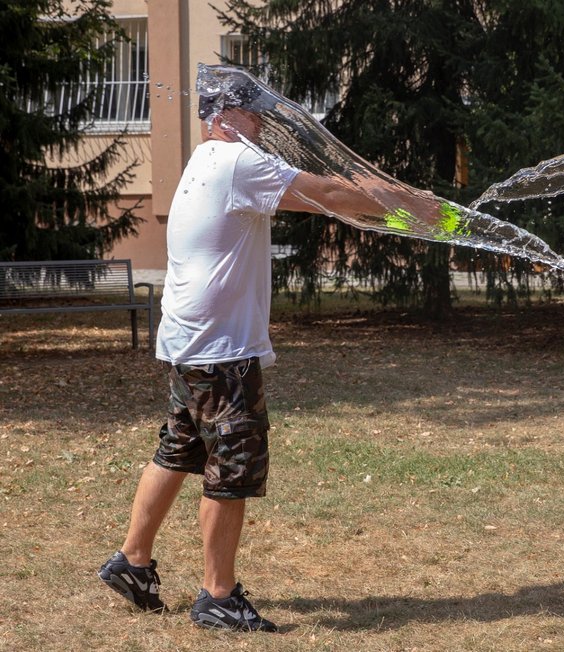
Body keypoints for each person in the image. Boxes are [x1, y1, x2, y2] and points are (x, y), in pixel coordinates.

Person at [97, 87, 393, 631]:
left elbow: (312, 198)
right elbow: (326, 192)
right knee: (230, 467)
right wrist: (405, 202)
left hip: (190, 343)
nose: (263, 122)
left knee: (178, 450)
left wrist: (377, 202)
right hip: (221, 352)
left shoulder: (205, 156)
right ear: (228, 116)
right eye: (255, 112)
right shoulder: (237, 160)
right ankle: (218, 596)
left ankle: (132, 561)